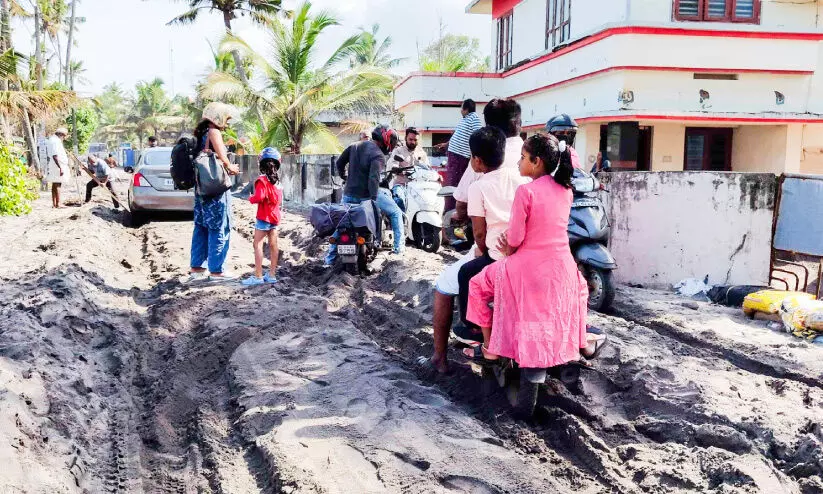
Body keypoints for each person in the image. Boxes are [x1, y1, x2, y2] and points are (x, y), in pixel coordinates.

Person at [464, 134, 590, 365]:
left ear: (536, 162)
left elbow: (515, 237)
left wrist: (508, 248)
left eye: (522, 157)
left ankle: (490, 347)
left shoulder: (526, 191)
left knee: (477, 285)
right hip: (563, 266)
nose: (519, 162)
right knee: (580, 290)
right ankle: (581, 341)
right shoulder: (566, 191)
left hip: (526, 268)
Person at [423, 98, 525, 374]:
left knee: (445, 285)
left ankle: (441, 357)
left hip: (494, 248)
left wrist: (465, 217)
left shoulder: (484, 156)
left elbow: (462, 206)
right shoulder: (532, 156)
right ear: (519, 122)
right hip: (531, 248)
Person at [327, 125, 403, 265]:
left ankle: (329, 260)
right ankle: (398, 251)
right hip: (366, 197)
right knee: (396, 213)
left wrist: (345, 177)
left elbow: (339, 163)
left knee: (342, 225)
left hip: (348, 194)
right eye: (391, 140)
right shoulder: (378, 155)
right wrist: (372, 200)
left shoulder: (354, 145)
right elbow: (373, 179)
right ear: (385, 139)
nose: (391, 145)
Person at [188, 102, 241, 282]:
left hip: (201, 190)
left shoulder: (201, 134)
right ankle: (217, 271)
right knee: (219, 227)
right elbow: (223, 158)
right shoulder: (214, 132)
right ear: (218, 118)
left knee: (201, 227)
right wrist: (231, 167)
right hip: (215, 190)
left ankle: (196, 269)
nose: (227, 122)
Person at [242, 147, 283, 286]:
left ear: (261, 164)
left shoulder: (262, 180)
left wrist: (251, 198)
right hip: (275, 218)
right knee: (273, 245)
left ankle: (258, 276)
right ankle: (271, 275)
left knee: (257, 244)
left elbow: (260, 197)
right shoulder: (277, 181)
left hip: (263, 217)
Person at [444, 99, 482, 211]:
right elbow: (457, 135)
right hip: (454, 156)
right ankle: (449, 209)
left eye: (461, 108)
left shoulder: (474, 119)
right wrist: (446, 144)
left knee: (454, 185)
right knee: (451, 184)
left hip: (460, 157)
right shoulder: (465, 120)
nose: (461, 111)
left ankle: (451, 211)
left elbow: (477, 137)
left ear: (466, 109)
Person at [387, 127, 431, 211]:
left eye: (415, 140)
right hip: (402, 185)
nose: (413, 142)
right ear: (405, 138)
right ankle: (401, 221)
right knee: (398, 200)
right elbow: (393, 164)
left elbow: (427, 168)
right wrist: (396, 169)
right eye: (410, 139)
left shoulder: (421, 152)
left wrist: (436, 175)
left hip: (418, 188)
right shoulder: (398, 151)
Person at [46, 127, 70, 209]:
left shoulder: (53, 140)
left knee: (55, 184)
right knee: (58, 183)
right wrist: (60, 167)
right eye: (63, 136)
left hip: (56, 164)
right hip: (57, 165)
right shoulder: (55, 141)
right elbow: (55, 155)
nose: (63, 138)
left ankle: (55, 203)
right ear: (61, 134)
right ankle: (58, 203)